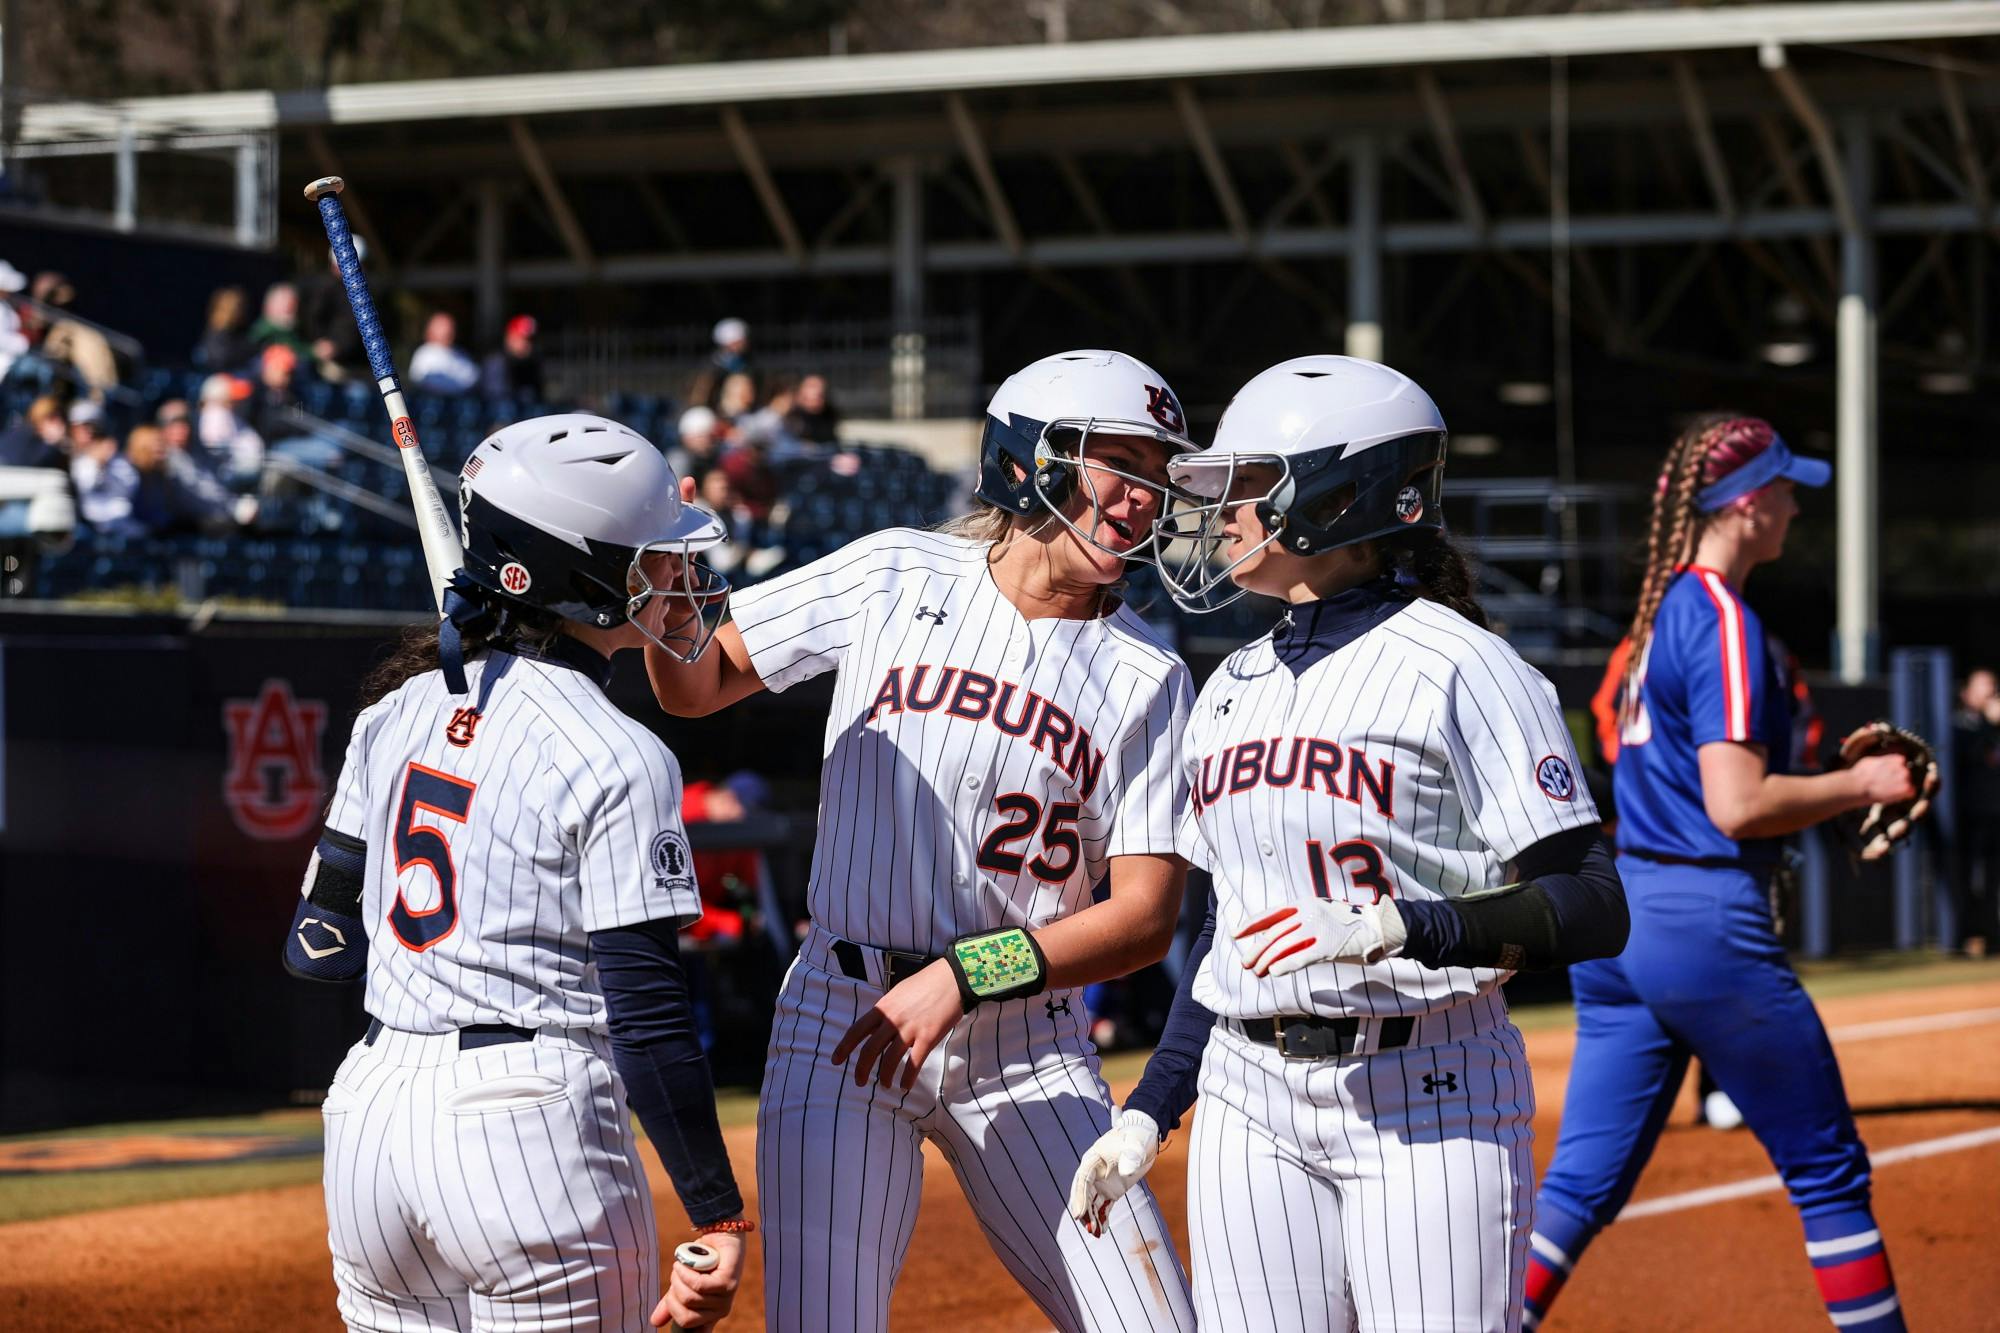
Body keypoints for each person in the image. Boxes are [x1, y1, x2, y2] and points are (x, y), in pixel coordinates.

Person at [1066, 355, 1628, 1333]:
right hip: (1246, 1089)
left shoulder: (1462, 664)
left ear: (1337, 493)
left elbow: (1589, 901)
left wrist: (1404, 924)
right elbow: (1227, 945)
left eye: (1249, 483)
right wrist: (1150, 1108)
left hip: (1427, 1085)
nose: (1224, 511)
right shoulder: (1230, 680)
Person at [646, 349, 1202, 1333]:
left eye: (1156, 476)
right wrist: (666, 589)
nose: (1141, 499)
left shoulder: (1147, 675)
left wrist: (965, 972)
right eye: (1119, 463)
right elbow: (693, 683)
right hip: (841, 1017)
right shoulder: (893, 571)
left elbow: (1145, 918)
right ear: (1031, 461)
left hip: (1026, 1043)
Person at [281, 412, 749, 1331]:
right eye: (653, 558)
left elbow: (318, 944)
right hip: (532, 1124)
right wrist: (715, 1209)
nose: (673, 577)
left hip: (371, 1112)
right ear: (586, 580)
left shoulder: (395, 712)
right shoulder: (622, 753)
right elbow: (649, 1018)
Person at [1527, 415, 1917, 1333]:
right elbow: (1737, 803)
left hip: (1623, 916)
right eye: (1782, 488)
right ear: (1743, 505)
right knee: (1829, 1176)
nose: (1791, 503)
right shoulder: (1726, 621)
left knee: (1578, 1188)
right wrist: (1863, 781)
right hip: (1703, 915)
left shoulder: (1655, 620)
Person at [1951, 667, 2000, 957]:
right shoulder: (1962, 725)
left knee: (1993, 881)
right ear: (1967, 693)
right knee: (1970, 880)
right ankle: (1967, 936)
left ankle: (1993, 937)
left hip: (1995, 815)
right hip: (1971, 817)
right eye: (1985, 686)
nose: (1991, 692)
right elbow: (1969, 756)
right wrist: (1987, 724)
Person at [409, 311, 481, 395]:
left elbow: (472, 378)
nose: (449, 330)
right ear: (431, 329)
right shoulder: (424, 353)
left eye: (451, 327)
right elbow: (422, 380)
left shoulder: (461, 353)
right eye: (443, 327)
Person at [481, 313, 546, 400]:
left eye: (531, 340)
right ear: (510, 337)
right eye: (523, 338)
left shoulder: (533, 363)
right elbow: (496, 399)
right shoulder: (496, 363)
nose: (527, 344)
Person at [0, 395, 69, 469]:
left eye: (62, 417)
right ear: (40, 417)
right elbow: (24, 464)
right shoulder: (23, 434)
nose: (58, 423)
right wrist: (53, 443)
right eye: (52, 417)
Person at [197, 286, 255, 372]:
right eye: (235, 308)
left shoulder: (242, 332)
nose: (239, 312)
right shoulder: (215, 335)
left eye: (241, 308)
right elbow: (222, 360)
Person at [248, 282, 311, 360]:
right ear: (270, 305)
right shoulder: (264, 331)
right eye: (283, 303)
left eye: (292, 304)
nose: (288, 307)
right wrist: (313, 353)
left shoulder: (295, 330)